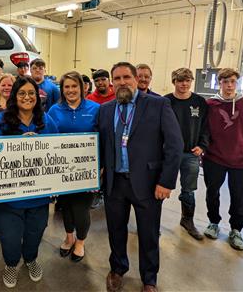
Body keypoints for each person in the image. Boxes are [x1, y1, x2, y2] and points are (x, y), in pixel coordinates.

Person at [98, 62, 182, 292]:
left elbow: (175, 145)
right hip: (114, 183)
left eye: (127, 77)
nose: (122, 82)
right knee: (116, 230)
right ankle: (117, 269)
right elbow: (99, 144)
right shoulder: (106, 109)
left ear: (136, 79)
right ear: (112, 82)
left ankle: (149, 279)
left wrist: (166, 181)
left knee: (148, 233)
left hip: (148, 184)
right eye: (117, 78)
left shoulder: (158, 105)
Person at [0, 76, 58, 288]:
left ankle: (30, 259)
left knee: (35, 234)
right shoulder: (0, 121)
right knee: (10, 238)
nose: (27, 97)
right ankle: (10, 265)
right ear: (14, 96)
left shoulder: (46, 121)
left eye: (31, 93)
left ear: (37, 97)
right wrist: (19, 146)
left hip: (38, 196)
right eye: (22, 93)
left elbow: (58, 154)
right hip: (9, 198)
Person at [202, 68, 243, 251]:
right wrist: (203, 151)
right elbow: (204, 131)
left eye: (232, 81)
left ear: (237, 83)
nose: (229, 85)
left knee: (239, 197)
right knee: (212, 192)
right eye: (224, 82)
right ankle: (213, 222)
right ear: (219, 83)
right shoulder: (210, 105)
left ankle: (236, 230)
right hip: (214, 158)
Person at [48, 71, 99, 263]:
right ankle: (69, 237)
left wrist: (99, 169)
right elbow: (49, 138)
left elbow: (102, 139)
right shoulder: (54, 110)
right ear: (62, 89)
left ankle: (80, 241)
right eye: (66, 87)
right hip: (62, 170)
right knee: (66, 206)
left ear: (83, 87)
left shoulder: (95, 109)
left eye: (74, 86)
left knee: (81, 209)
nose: (70, 90)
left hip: (87, 171)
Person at [165, 68, 209, 240]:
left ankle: (187, 220)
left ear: (191, 81)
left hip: (191, 154)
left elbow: (206, 127)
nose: (184, 84)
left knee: (188, 190)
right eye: (180, 80)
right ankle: (152, 222)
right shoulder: (165, 101)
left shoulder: (200, 102)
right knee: (160, 187)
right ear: (174, 81)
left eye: (187, 80)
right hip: (168, 154)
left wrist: (202, 146)